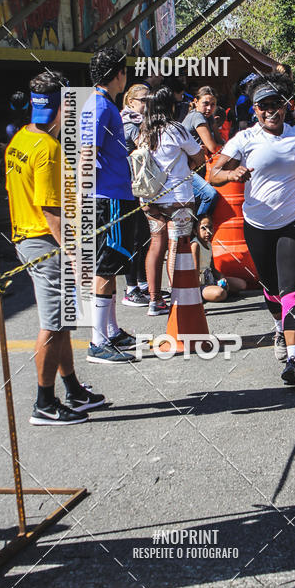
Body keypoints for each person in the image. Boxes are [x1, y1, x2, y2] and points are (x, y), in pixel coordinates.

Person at [210, 73, 295, 386]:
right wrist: (231, 175)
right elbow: (213, 174)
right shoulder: (245, 139)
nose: (270, 111)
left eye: (276, 104)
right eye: (263, 106)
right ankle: (280, 326)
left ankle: (294, 360)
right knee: (270, 286)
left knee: (291, 287)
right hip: (259, 224)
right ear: (255, 110)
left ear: (285, 106)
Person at [5, 70, 105, 424]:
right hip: (45, 243)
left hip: (29, 238)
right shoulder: (48, 150)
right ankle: (44, 404)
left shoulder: (21, 139)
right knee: (53, 324)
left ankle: (73, 390)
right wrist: (74, 255)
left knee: (63, 322)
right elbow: (51, 212)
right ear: (61, 106)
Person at [82, 48, 138, 364]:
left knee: (112, 263)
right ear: (119, 74)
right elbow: (87, 153)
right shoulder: (101, 106)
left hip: (110, 195)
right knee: (106, 264)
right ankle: (98, 341)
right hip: (108, 197)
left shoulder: (99, 104)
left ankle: (111, 332)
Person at [138, 86, 202, 316]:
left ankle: (155, 299)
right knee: (176, 246)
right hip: (178, 199)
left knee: (156, 244)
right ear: (170, 107)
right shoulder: (176, 130)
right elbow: (199, 156)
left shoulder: (143, 133)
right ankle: (179, 300)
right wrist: (187, 165)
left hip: (150, 198)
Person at [120, 84, 151, 306]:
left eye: (150, 99)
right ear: (131, 102)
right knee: (134, 238)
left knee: (144, 237)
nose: (147, 104)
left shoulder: (140, 121)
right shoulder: (129, 123)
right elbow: (146, 146)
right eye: (143, 100)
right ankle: (131, 289)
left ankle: (143, 284)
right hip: (131, 186)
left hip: (141, 185)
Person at [182, 85, 223, 217]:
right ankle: (200, 224)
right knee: (210, 195)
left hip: (196, 168)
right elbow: (213, 148)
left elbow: (220, 142)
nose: (209, 108)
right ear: (196, 102)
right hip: (184, 171)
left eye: (213, 104)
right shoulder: (197, 116)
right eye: (205, 103)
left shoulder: (208, 117)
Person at [191, 216, 247, 302]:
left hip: (211, 280)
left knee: (242, 284)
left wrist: (222, 278)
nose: (208, 231)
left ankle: (218, 292)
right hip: (200, 285)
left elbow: (213, 268)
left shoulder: (209, 244)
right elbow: (195, 271)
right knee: (220, 293)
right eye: (203, 228)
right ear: (195, 231)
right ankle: (209, 294)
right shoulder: (195, 245)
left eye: (210, 228)